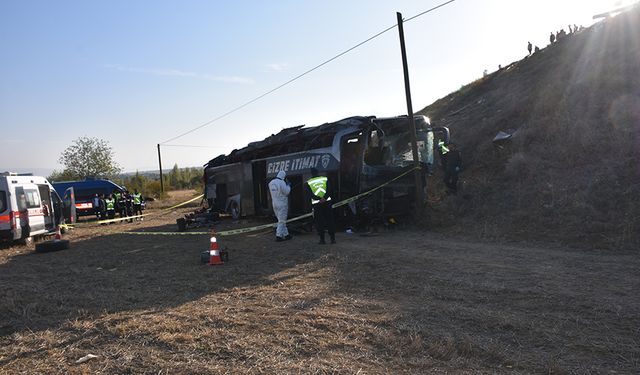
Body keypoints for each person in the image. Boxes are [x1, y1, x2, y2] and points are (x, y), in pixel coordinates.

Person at [306, 168, 336, 244]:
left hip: (317, 204)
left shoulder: (308, 182)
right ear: (318, 172)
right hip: (327, 202)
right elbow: (329, 189)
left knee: (319, 222)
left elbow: (310, 194)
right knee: (330, 220)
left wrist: (319, 199)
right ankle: (333, 239)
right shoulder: (325, 179)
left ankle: (322, 240)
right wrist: (324, 198)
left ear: (311, 173)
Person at [268, 170, 292, 241]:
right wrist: (288, 185)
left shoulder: (271, 182)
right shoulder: (282, 182)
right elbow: (286, 192)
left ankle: (286, 234)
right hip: (282, 204)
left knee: (281, 220)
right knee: (282, 220)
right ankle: (278, 236)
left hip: (274, 204)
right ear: (283, 176)